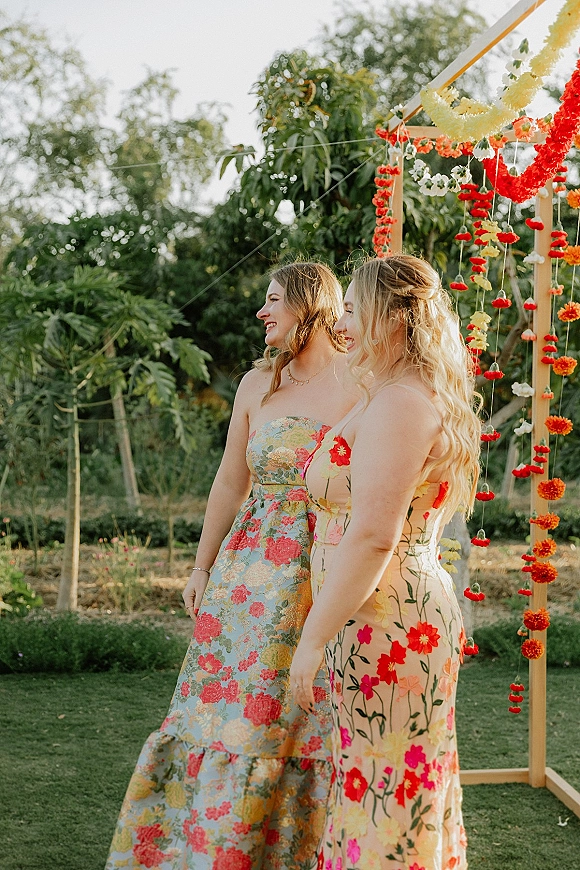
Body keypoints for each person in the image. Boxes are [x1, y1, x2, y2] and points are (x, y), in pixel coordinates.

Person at [105, 262, 357, 870]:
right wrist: (200, 568)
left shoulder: (362, 382)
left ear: (309, 306)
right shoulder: (256, 385)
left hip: (323, 569)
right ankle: (214, 847)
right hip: (246, 577)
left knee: (303, 711)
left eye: (273, 301)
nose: (260, 313)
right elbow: (228, 480)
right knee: (229, 711)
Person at [290, 255, 480, 870]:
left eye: (352, 308)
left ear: (392, 316)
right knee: (376, 787)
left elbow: (374, 535)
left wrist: (311, 640)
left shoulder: (402, 402)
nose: (340, 321)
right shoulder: (388, 391)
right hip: (374, 614)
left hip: (388, 624)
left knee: (387, 792)